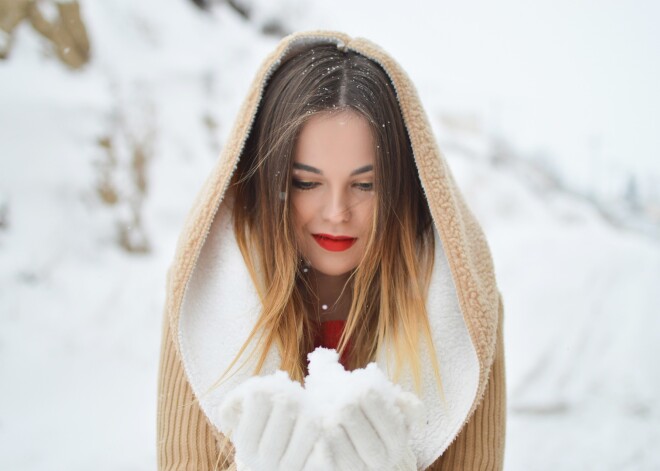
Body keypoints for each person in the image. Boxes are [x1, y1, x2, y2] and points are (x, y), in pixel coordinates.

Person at [157, 30, 506, 470]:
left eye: (365, 185)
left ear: (403, 187)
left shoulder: (461, 311)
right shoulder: (203, 297)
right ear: (270, 182)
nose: (337, 212)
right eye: (306, 182)